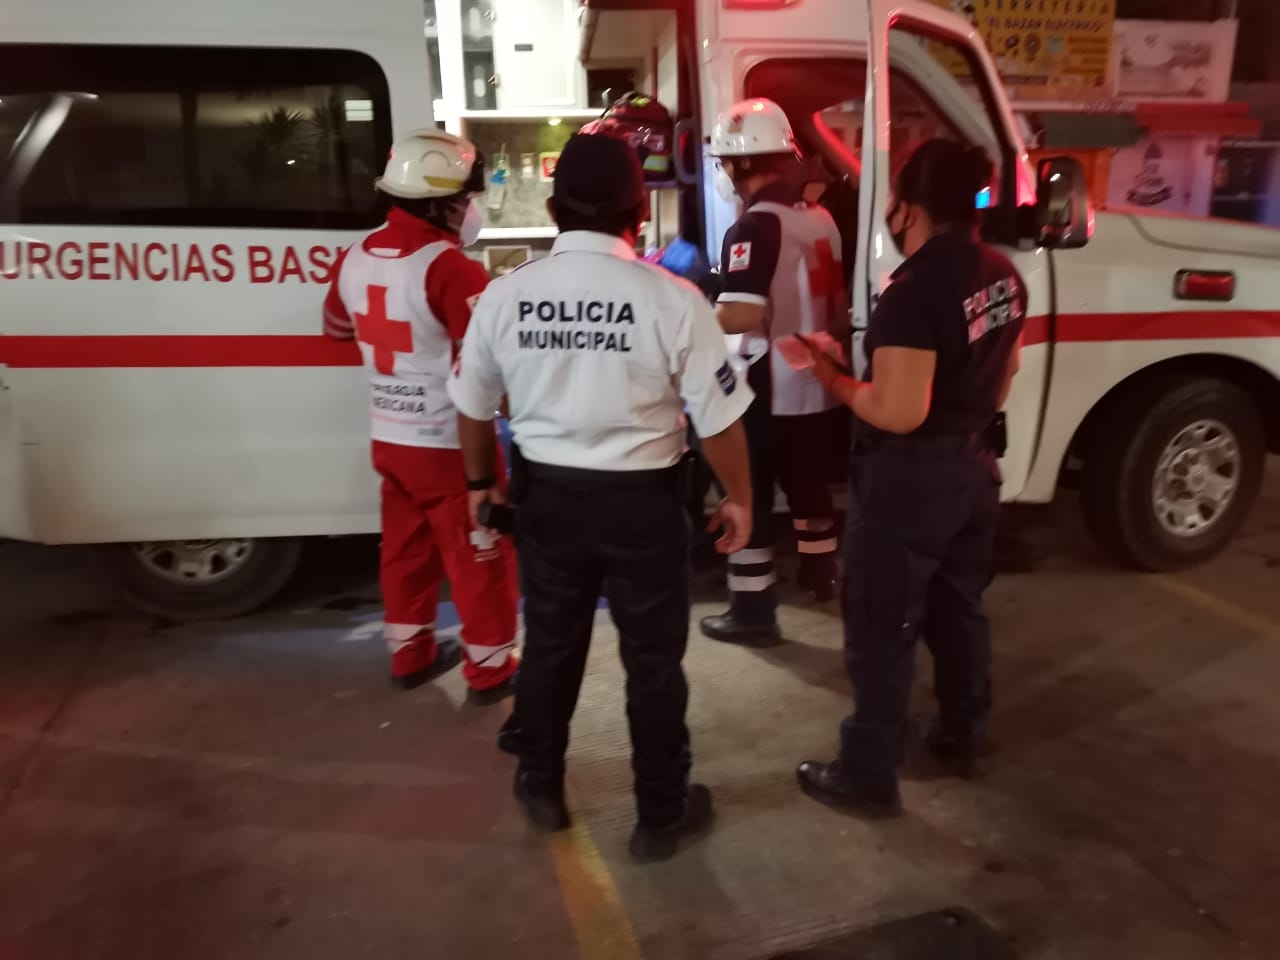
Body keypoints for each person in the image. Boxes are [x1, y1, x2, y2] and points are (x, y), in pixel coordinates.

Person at [447, 133, 755, 863]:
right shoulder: (674, 300)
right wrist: (738, 497)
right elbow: (720, 419)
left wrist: (477, 482)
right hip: (644, 508)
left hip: (548, 500)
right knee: (653, 663)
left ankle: (542, 783)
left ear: (553, 209)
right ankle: (660, 811)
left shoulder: (505, 295)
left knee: (552, 647)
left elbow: (470, 402)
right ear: (638, 209)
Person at [794, 139, 1026, 815]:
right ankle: (962, 732)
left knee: (881, 623)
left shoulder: (915, 290)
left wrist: (833, 375)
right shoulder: (1002, 274)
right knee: (959, 610)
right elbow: (1004, 374)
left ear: (907, 207)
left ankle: (868, 772)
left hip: (908, 485)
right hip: (973, 470)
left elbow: (897, 410)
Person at [323, 129, 519, 702]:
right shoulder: (451, 269)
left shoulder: (354, 257)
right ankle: (490, 668)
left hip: (389, 438)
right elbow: (484, 371)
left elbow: (335, 327)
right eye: (465, 198)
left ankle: (410, 653)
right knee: (478, 552)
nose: (471, 209)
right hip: (449, 446)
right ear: (440, 202)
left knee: (405, 550)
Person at [699, 97, 852, 647]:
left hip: (770, 384)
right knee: (810, 484)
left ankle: (752, 608)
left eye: (723, 163)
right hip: (819, 375)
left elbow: (741, 313)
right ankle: (820, 574)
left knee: (750, 492)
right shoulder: (821, 219)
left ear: (740, 165)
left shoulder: (753, 227)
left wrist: (688, 317)